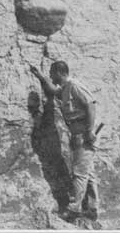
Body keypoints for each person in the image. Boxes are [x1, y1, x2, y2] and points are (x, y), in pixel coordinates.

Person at [31, 61, 99, 222]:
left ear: (59, 73)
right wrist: (40, 76)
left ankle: (73, 210)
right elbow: (53, 91)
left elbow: (90, 105)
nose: (51, 76)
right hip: (77, 133)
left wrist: (89, 131)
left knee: (79, 173)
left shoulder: (74, 86)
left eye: (51, 73)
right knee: (88, 173)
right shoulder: (65, 87)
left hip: (84, 133)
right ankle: (92, 209)